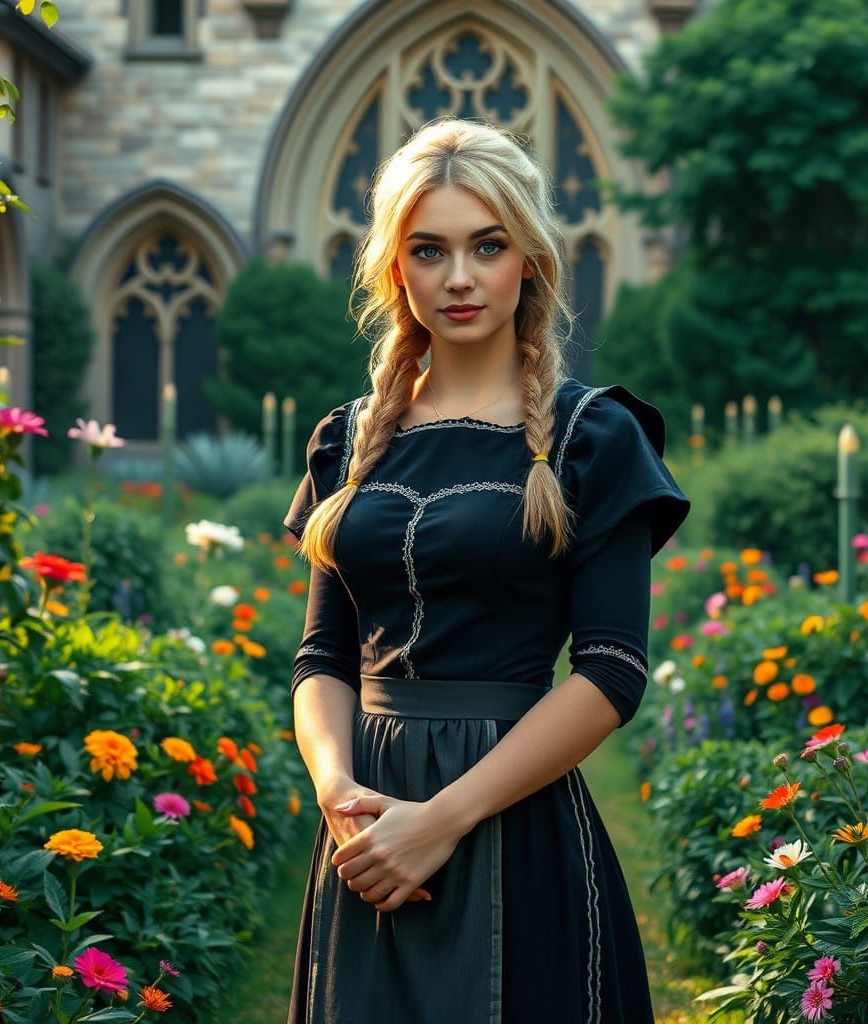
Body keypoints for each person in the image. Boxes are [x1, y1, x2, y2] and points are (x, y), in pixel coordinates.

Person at [283, 117, 690, 1024]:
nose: (459, 278)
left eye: (488, 246)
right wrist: (338, 791)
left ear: (530, 260)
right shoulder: (345, 441)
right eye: (430, 250)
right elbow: (321, 657)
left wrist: (442, 819)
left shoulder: (595, 437)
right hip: (366, 827)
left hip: (517, 822)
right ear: (397, 269)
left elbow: (612, 671)